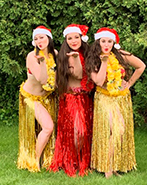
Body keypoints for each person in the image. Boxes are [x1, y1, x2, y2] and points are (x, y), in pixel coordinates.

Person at [86, 27, 146, 178]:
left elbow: (141, 66)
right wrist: (104, 62)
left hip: (121, 98)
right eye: (103, 41)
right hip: (104, 98)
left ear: (114, 43)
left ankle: (113, 165)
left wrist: (129, 83)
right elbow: (99, 81)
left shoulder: (121, 55)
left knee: (118, 131)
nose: (106, 44)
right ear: (98, 42)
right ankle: (108, 167)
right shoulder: (93, 59)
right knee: (117, 129)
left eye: (110, 41)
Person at [49, 24, 94, 177]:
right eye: (70, 38)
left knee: (84, 132)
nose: (74, 40)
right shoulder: (63, 56)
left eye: (76, 37)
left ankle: (81, 160)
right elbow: (77, 75)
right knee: (76, 132)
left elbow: (83, 77)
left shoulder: (87, 54)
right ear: (65, 40)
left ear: (82, 38)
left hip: (85, 99)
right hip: (70, 99)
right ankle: (70, 161)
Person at [17, 25, 58, 172]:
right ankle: (34, 161)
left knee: (47, 128)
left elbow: (56, 79)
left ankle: (48, 158)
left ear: (48, 38)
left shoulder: (55, 54)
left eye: (42, 37)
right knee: (48, 127)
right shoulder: (31, 56)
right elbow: (42, 79)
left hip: (46, 97)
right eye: (36, 38)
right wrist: (41, 63)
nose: (39, 40)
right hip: (30, 98)